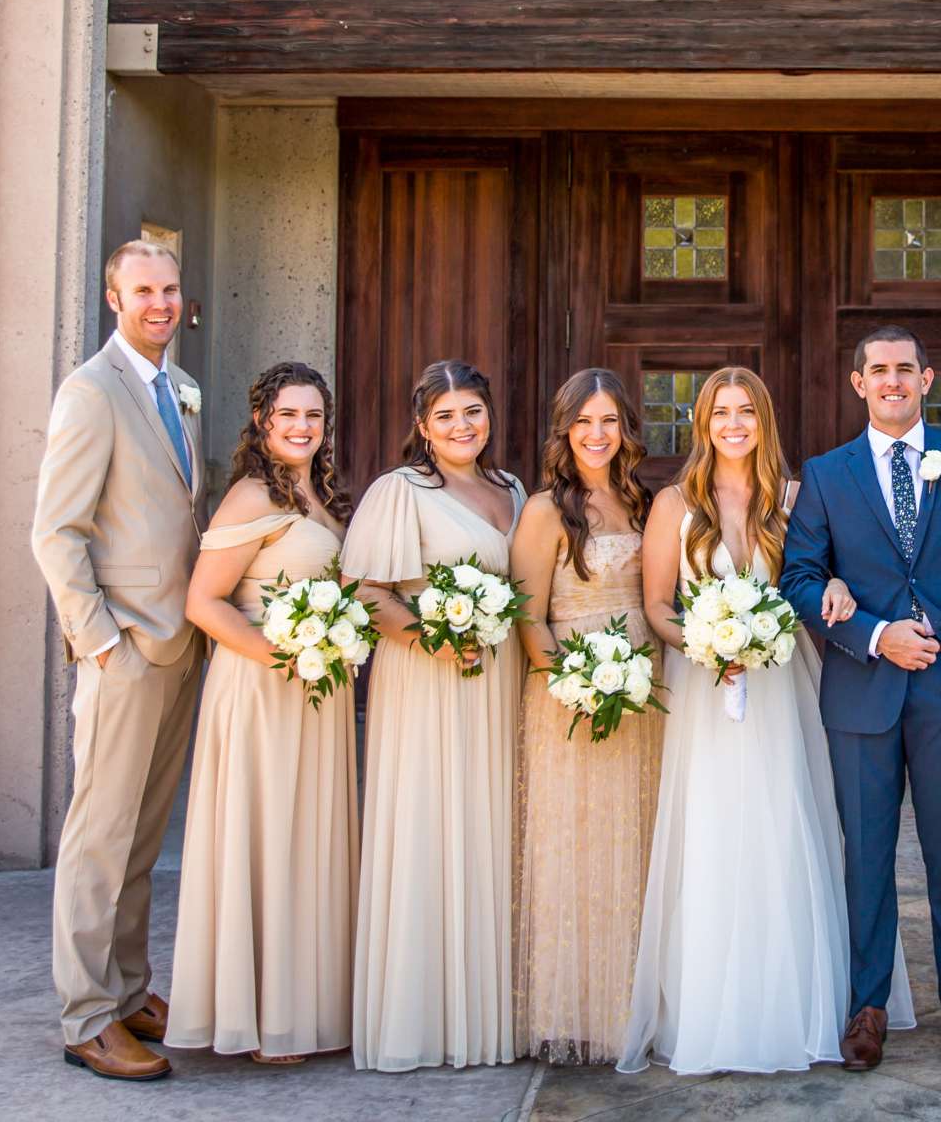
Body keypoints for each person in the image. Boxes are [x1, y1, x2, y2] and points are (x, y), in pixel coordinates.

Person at [618, 367, 910, 1075]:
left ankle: (802, 1003)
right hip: (706, 691)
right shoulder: (673, 506)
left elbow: (824, 578)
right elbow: (658, 604)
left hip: (784, 688)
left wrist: (836, 585)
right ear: (703, 422)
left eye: (747, 410)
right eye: (722, 412)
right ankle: (714, 1011)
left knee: (790, 825)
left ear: (764, 420)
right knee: (715, 832)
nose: (735, 423)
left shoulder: (798, 498)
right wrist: (706, 643)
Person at [777, 326, 941, 1076]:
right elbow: (798, 576)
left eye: (905, 370)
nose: (892, 381)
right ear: (857, 383)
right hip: (862, 690)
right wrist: (874, 632)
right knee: (866, 856)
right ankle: (868, 1007)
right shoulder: (826, 474)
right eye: (877, 370)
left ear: (926, 378)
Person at [32, 239, 204, 1083]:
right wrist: (99, 640)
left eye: (169, 289)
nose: (159, 303)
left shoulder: (177, 388)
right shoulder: (90, 391)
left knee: (140, 834)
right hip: (125, 650)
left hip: (178, 645)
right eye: (143, 290)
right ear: (114, 298)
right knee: (99, 834)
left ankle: (129, 987)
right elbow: (56, 531)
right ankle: (87, 1016)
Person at [166, 362, 360, 1064]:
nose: (303, 427)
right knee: (269, 835)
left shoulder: (319, 492)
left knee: (307, 837)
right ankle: (264, 1017)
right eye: (288, 416)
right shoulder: (250, 495)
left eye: (313, 416)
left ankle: (307, 1007)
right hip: (259, 687)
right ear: (262, 422)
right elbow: (204, 602)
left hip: (316, 690)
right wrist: (283, 656)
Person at [342, 360, 528, 1071]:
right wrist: (435, 638)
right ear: (422, 425)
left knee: (491, 826)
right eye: (446, 415)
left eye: (474, 411)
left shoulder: (511, 489)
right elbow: (365, 589)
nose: (463, 426)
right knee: (429, 825)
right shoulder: (401, 491)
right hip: (426, 680)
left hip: (498, 677)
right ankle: (421, 1016)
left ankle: (488, 1010)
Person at [510, 369, 663, 1064]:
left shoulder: (646, 502)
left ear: (626, 428)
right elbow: (529, 616)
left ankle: (643, 1001)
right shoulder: (546, 510)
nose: (597, 435)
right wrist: (572, 684)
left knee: (641, 842)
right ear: (564, 430)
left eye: (609, 421)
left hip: (646, 693)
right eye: (583, 423)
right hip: (570, 699)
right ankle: (579, 1008)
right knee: (579, 849)